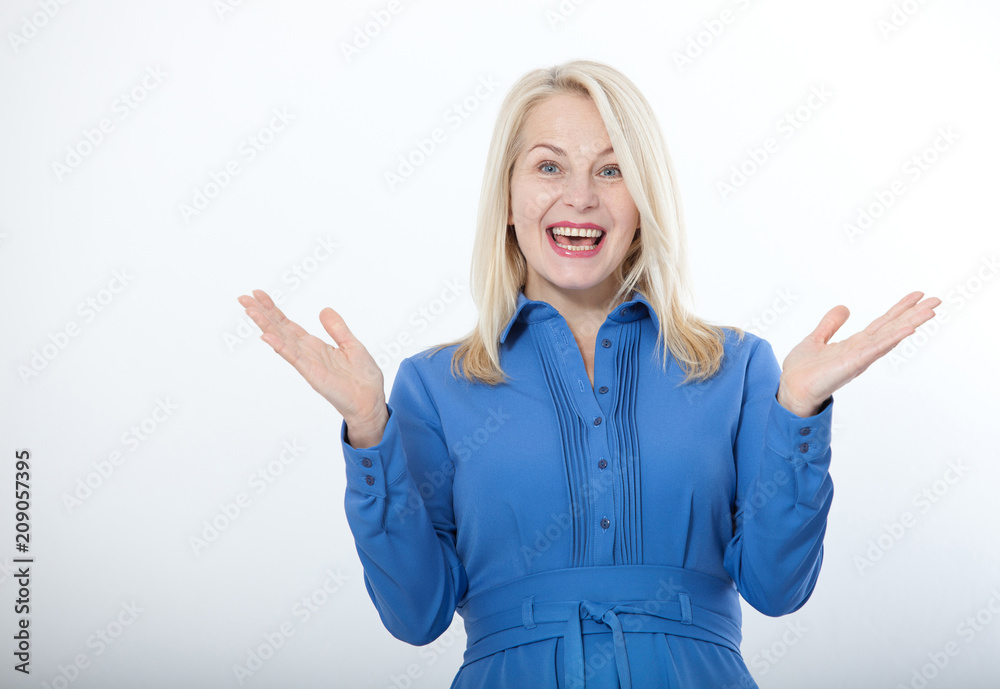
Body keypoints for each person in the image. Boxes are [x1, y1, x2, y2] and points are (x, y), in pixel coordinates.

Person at [238, 60, 940, 689]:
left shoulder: (738, 366)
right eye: (548, 167)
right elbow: (416, 613)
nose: (580, 196)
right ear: (508, 199)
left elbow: (778, 586)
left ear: (644, 201)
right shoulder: (431, 386)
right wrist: (368, 430)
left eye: (611, 169)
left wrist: (798, 410)